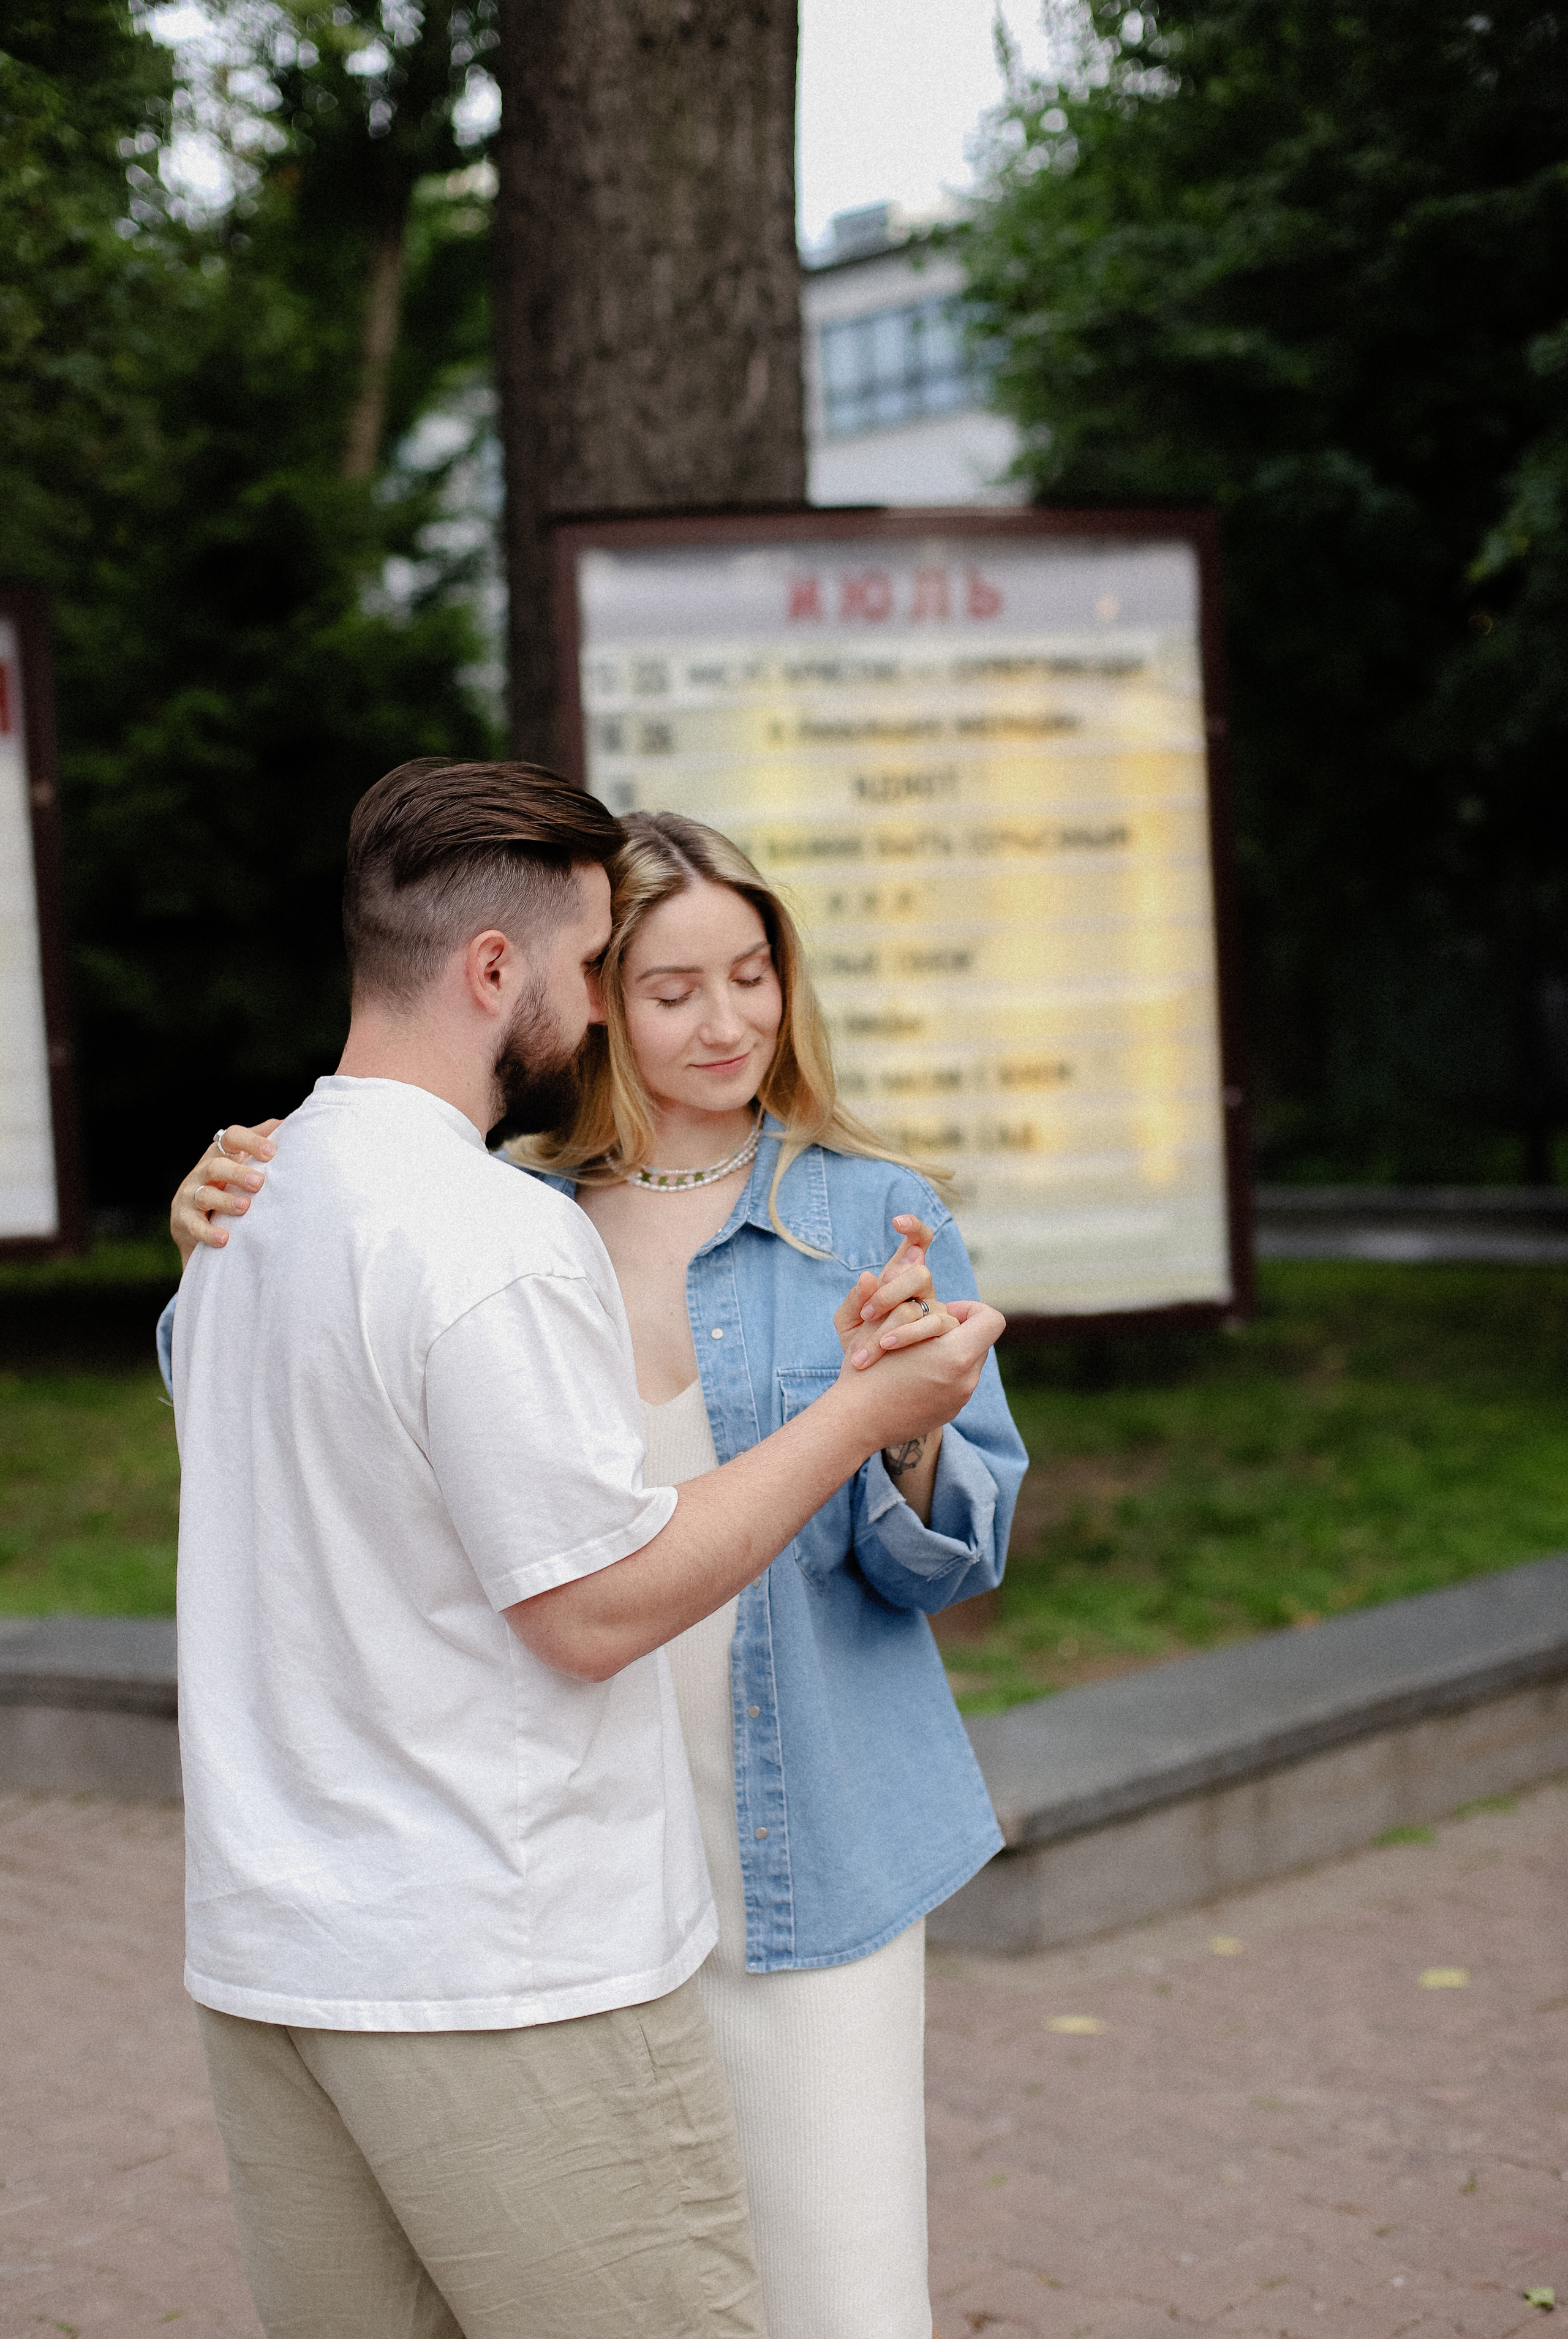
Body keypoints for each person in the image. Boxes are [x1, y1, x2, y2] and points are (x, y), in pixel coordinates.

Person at [165, 760, 1005, 2339]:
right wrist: (205, 1236)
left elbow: (952, 1548)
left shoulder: (871, 1214)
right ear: (572, 990)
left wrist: (904, 1424)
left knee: (835, 2281)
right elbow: (376, 1471)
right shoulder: (498, 1216)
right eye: (664, 982)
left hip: (788, 1831)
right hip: (553, 1868)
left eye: (752, 975)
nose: (723, 1019)